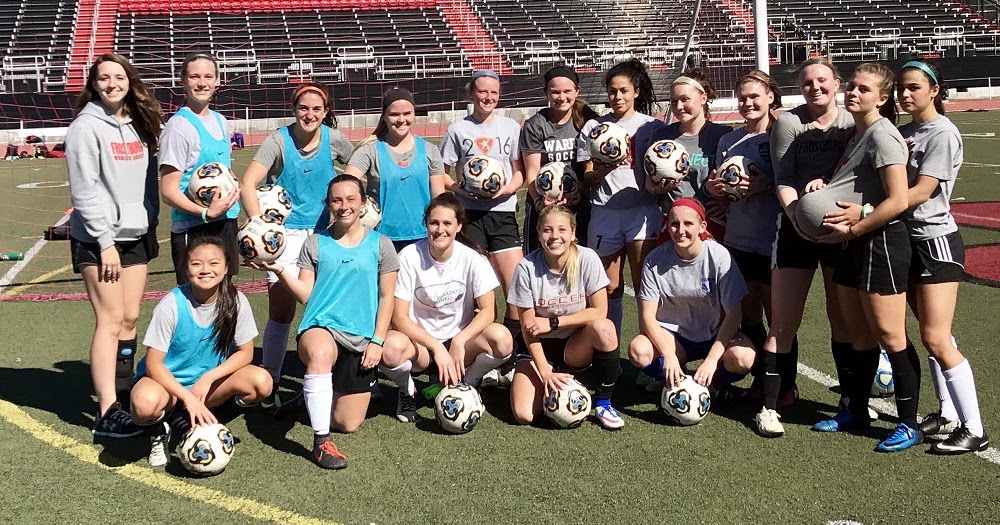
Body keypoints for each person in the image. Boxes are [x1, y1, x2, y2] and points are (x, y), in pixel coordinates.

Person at [827, 60, 988, 454]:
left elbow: (917, 193)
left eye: (914, 87)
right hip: (904, 240)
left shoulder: (942, 132)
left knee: (935, 337)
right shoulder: (904, 131)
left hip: (933, 241)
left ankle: (975, 428)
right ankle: (947, 413)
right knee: (930, 335)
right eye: (902, 87)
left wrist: (864, 214)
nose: (906, 93)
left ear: (934, 90)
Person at [255, 175, 399, 469]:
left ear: (362, 204)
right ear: (328, 204)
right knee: (320, 352)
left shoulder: (381, 245)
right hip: (320, 328)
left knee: (348, 423)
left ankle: (305, 404)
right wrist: (280, 270)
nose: (343, 206)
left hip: (360, 338)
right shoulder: (315, 243)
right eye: (336, 200)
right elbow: (307, 294)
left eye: (350, 199)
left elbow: (387, 297)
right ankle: (321, 443)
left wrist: (377, 341)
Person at [807, 63, 914, 453]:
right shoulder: (858, 133)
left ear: (882, 99)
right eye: (851, 86)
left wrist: (859, 221)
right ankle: (854, 408)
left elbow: (898, 200)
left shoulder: (884, 135)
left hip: (881, 242)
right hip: (854, 243)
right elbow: (854, 186)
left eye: (863, 89)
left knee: (889, 334)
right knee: (857, 335)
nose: (853, 93)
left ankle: (908, 422)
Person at [65, 53, 164, 438]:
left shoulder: (137, 124)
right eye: (103, 78)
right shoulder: (85, 128)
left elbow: (146, 182)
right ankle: (106, 413)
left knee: (129, 318)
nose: (111, 84)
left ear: (129, 80)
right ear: (94, 83)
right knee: (108, 322)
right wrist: (105, 242)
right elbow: (84, 189)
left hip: (134, 235)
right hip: (98, 239)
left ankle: (122, 394)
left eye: (118, 76)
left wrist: (148, 221)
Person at [756, 58, 855, 437]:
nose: (815, 87)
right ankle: (769, 407)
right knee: (783, 321)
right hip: (795, 228)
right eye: (807, 82)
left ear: (837, 83)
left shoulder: (852, 122)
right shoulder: (789, 123)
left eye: (823, 80)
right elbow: (782, 179)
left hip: (839, 231)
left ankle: (850, 400)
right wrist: (799, 215)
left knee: (842, 318)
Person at [239, 82, 354, 404]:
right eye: (304, 108)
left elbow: (358, 169)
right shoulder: (278, 140)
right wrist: (260, 224)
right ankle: (272, 381)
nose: (310, 114)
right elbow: (249, 182)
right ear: (294, 109)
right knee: (282, 310)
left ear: (326, 112)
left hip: (324, 235)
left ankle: (331, 378)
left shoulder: (334, 140)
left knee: (327, 307)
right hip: (284, 237)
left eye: (317, 109)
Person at [129, 236, 271, 467]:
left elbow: (246, 353)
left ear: (226, 268)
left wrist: (208, 377)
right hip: (166, 386)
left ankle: (211, 422)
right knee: (144, 405)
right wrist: (186, 397)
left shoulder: (236, 300)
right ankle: (159, 431)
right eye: (196, 264)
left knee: (261, 382)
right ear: (186, 269)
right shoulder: (171, 305)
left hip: (206, 387)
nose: (205, 270)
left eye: (214, 263)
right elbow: (154, 365)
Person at [380, 193, 513, 422]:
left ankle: (467, 384)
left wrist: (459, 341)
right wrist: (435, 347)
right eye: (434, 222)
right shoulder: (409, 257)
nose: (440, 229)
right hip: (421, 346)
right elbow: (398, 317)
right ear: (426, 224)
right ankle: (407, 390)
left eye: (447, 223)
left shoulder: (473, 258)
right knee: (389, 348)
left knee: (502, 339)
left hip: (460, 346)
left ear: (459, 226)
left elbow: (489, 311)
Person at [628, 199, 755, 406]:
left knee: (743, 358)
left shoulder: (719, 256)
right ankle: (676, 376)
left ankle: (712, 381)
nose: (680, 230)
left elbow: (734, 315)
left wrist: (713, 360)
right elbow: (647, 315)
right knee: (638, 351)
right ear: (667, 225)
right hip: (675, 338)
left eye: (688, 224)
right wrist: (669, 356)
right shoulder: (654, 260)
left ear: (702, 226)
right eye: (674, 223)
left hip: (713, 333)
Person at [439, 70, 525, 375]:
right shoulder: (457, 130)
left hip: (502, 214)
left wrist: (507, 189)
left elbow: (519, 172)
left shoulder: (511, 127)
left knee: (516, 289)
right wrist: (458, 189)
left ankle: (509, 358)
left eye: (494, 93)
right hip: (470, 215)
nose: (488, 98)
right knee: (477, 293)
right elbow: (443, 172)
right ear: (471, 94)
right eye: (482, 92)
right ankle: (478, 355)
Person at [703, 70, 782, 396]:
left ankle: (785, 384)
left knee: (778, 319)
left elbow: (796, 182)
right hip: (738, 239)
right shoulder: (728, 140)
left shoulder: (782, 135)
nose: (748, 103)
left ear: (770, 98)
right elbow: (721, 190)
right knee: (748, 315)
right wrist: (714, 189)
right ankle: (762, 380)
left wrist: (767, 183)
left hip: (774, 239)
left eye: (754, 96)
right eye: (743, 98)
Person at [508, 205, 623, 429]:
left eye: (561, 230)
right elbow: (528, 329)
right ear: (539, 234)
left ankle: (603, 401)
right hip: (539, 348)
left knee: (604, 327)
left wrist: (553, 322)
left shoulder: (587, 258)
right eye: (547, 230)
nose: (555, 236)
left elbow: (599, 311)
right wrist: (545, 372)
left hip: (575, 347)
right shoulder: (526, 268)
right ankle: (554, 381)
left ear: (573, 233)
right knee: (523, 415)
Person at [577, 58, 666, 340]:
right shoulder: (594, 129)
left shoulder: (652, 126)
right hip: (604, 212)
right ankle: (609, 349)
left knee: (645, 286)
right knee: (609, 287)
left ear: (636, 91)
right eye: (613, 91)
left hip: (642, 213)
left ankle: (650, 351)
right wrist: (603, 169)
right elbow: (587, 178)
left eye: (624, 91)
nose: (617, 97)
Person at [159, 52, 241, 285]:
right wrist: (206, 212)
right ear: (183, 81)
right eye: (195, 76)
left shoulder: (221, 121)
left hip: (226, 222)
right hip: (194, 228)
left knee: (225, 296)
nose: (202, 83)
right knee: (196, 301)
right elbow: (168, 191)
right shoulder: (178, 127)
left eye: (208, 76)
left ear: (217, 81)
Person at [344, 87, 448, 252]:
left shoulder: (430, 150)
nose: (401, 119)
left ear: (414, 114)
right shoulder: (369, 151)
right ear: (384, 116)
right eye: (394, 114)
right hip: (380, 240)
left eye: (407, 113)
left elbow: (440, 199)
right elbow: (344, 186)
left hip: (422, 238)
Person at [520, 65, 599, 253]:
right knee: (542, 264)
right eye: (555, 92)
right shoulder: (535, 125)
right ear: (546, 92)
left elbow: (594, 164)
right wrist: (541, 204)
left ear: (577, 91)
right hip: (545, 206)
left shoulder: (589, 120)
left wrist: (581, 192)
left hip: (580, 203)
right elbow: (532, 171)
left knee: (581, 261)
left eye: (567, 91)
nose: (561, 97)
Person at [652, 69, 731, 240]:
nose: (679, 107)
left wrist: (728, 202)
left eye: (685, 99)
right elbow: (648, 185)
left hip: (712, 223)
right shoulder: (661, 137)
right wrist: (657, 189)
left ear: (703, 98)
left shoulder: (723, 135)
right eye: (673, 102)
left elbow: (733, 181)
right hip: (674, 224)